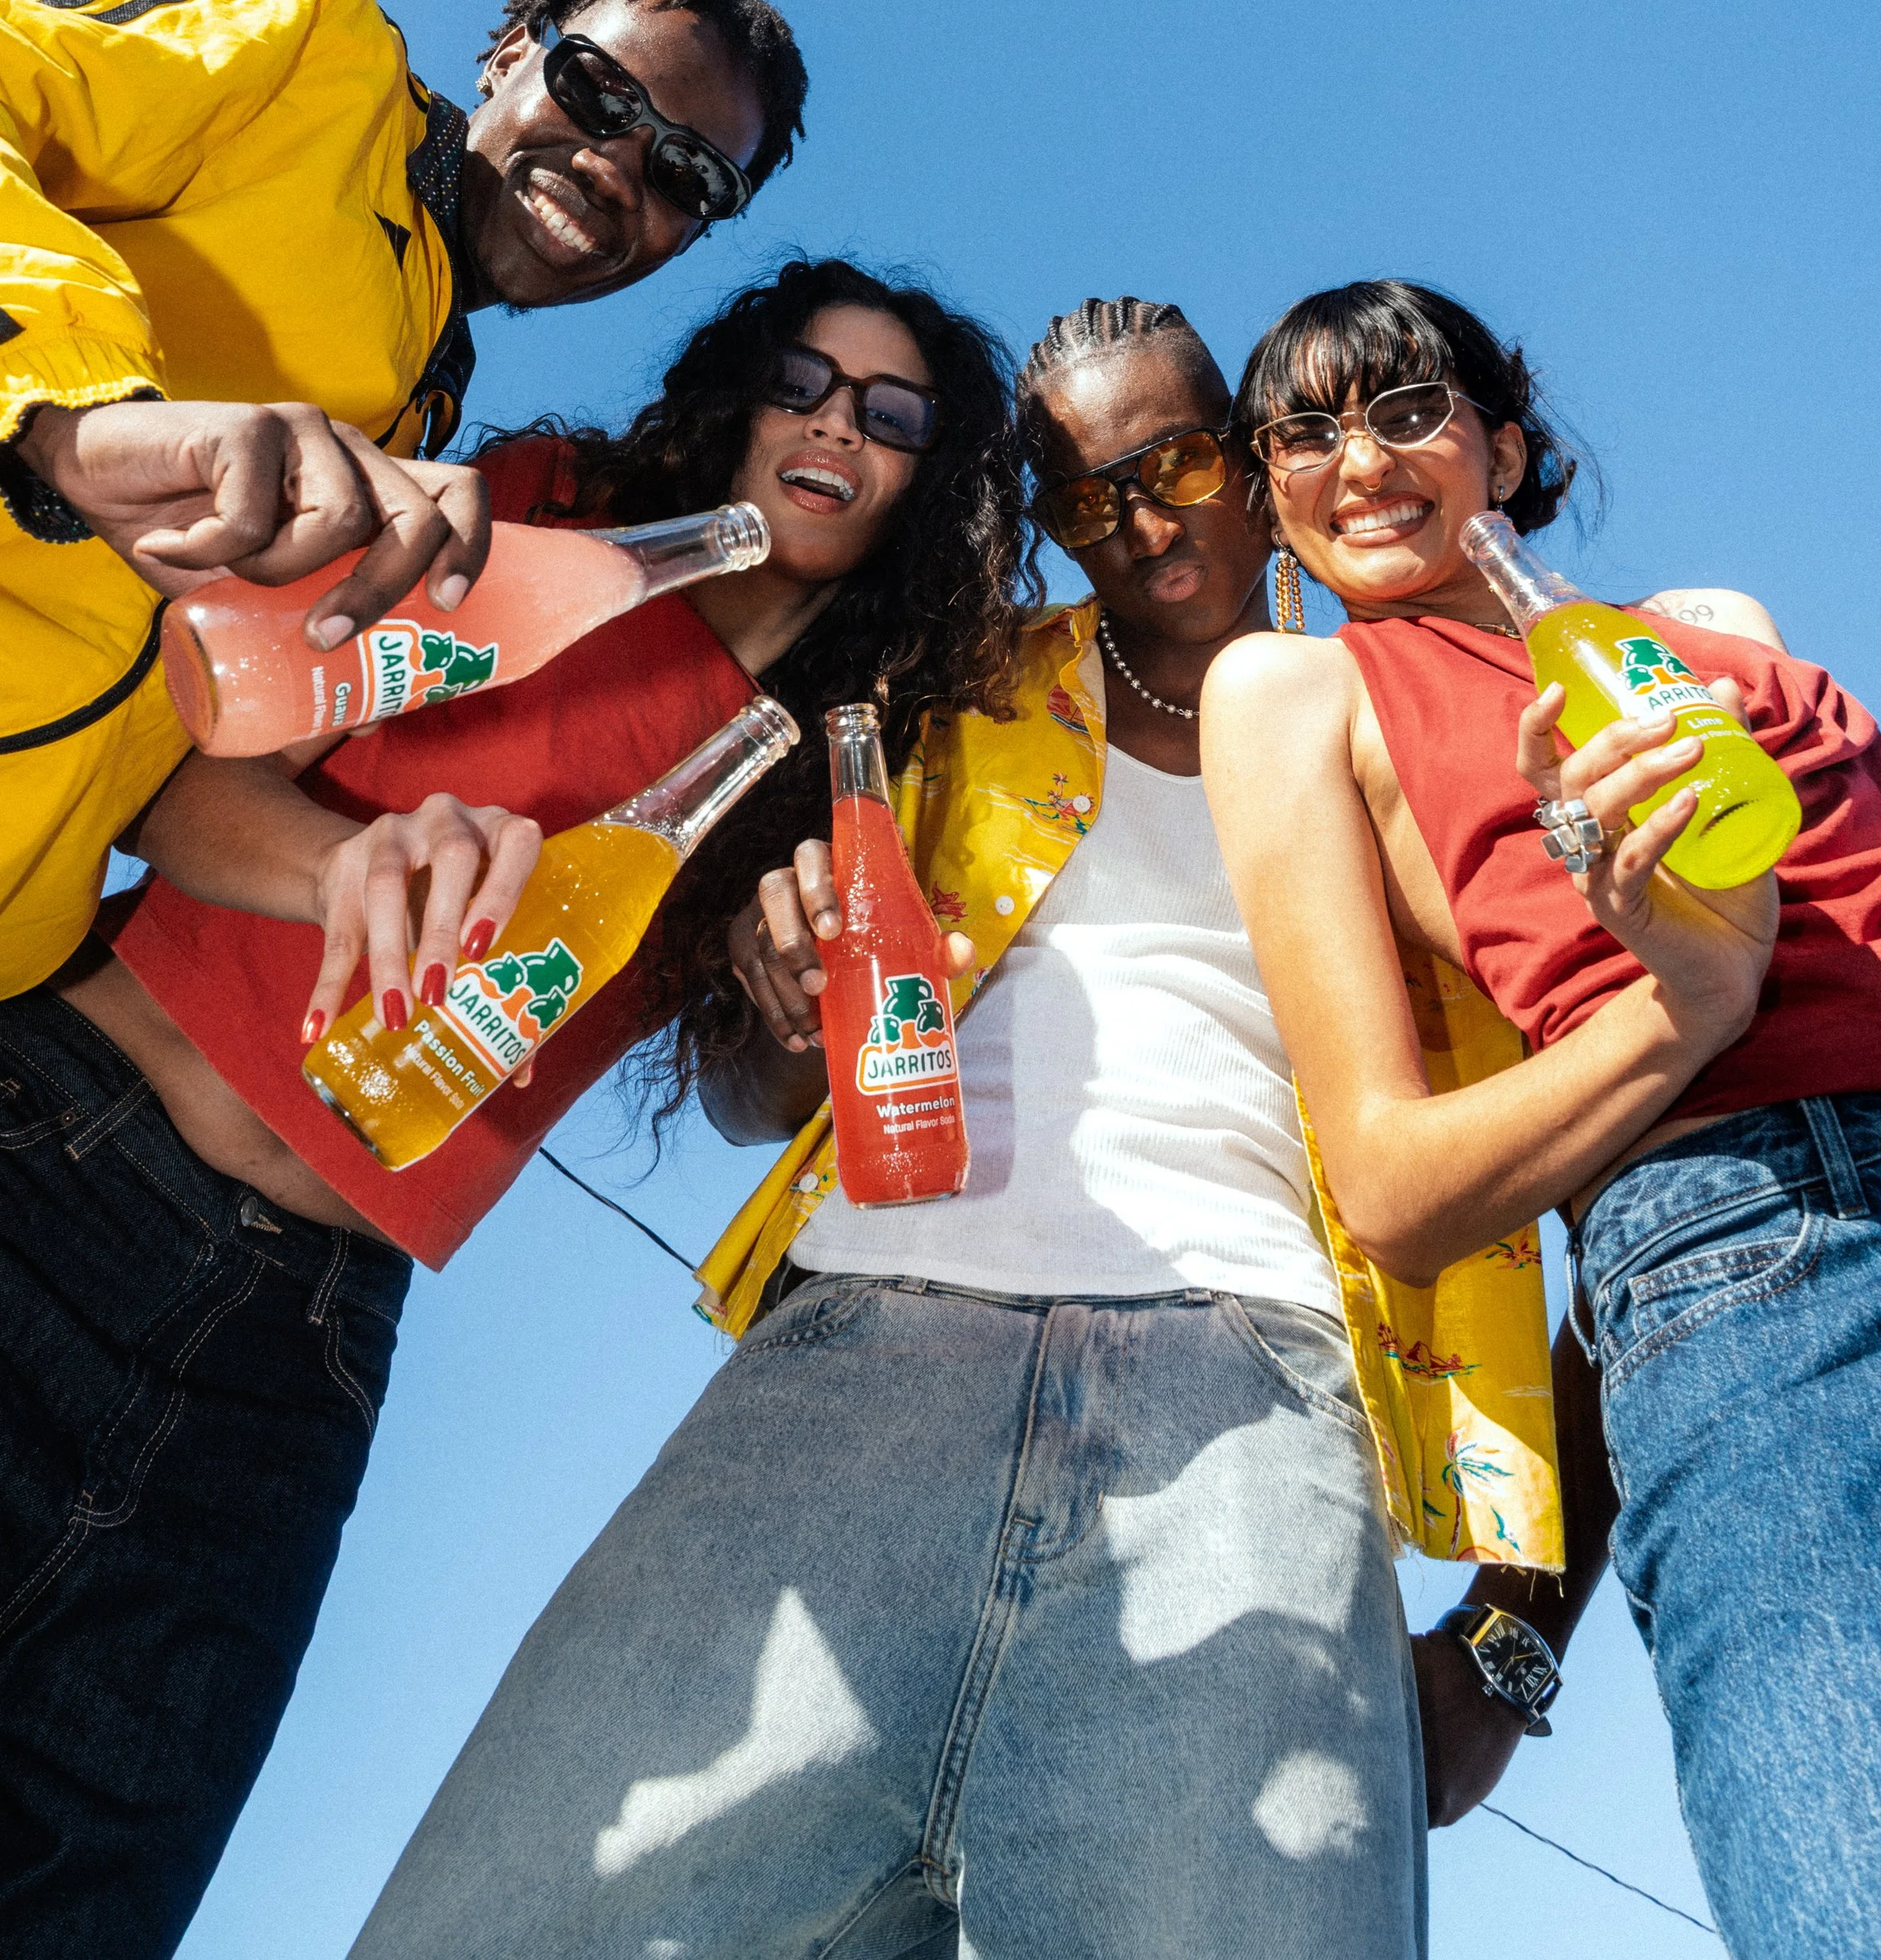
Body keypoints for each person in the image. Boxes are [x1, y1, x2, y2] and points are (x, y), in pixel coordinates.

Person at [345, 297, 1610, 1960]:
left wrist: (1515, 1639)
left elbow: (1637, 1186)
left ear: (1251, 463)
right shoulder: (941, 694)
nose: (1137, 523)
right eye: (1082, 495)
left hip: (1259, 1404)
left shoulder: (1429, 727)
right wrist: (777, 1000)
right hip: (857, 1366)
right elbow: (748, 1098)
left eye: (1174, 466)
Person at [0, 259, 1017, 1960]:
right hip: (56, 1153)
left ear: (925, 477)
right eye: (802, 381)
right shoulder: (536, 520)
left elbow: (749, 1098)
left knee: (79, 1889)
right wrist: (349, 870)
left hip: (299, 1331)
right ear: (740, 400)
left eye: (891, 414)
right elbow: (168, 765)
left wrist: (786, 1010)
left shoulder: (837, 772)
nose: (835, 422)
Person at [1202, 278, 1881, 1960]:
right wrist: (1688, 1001)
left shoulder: (1707, 618)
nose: (1358, 461)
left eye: (1407, 409)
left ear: (1503, 444)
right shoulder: (1297, 693)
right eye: (1301, 435)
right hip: (1771, 1257)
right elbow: (1390, 1184)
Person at [0, 0, 804, 997]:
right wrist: (68, 416)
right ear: (510, 52)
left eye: (688, 175)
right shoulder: (316, 48)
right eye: (601, 92)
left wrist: (344, 865)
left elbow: (144, 743)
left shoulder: (421, 422)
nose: (615, 167)